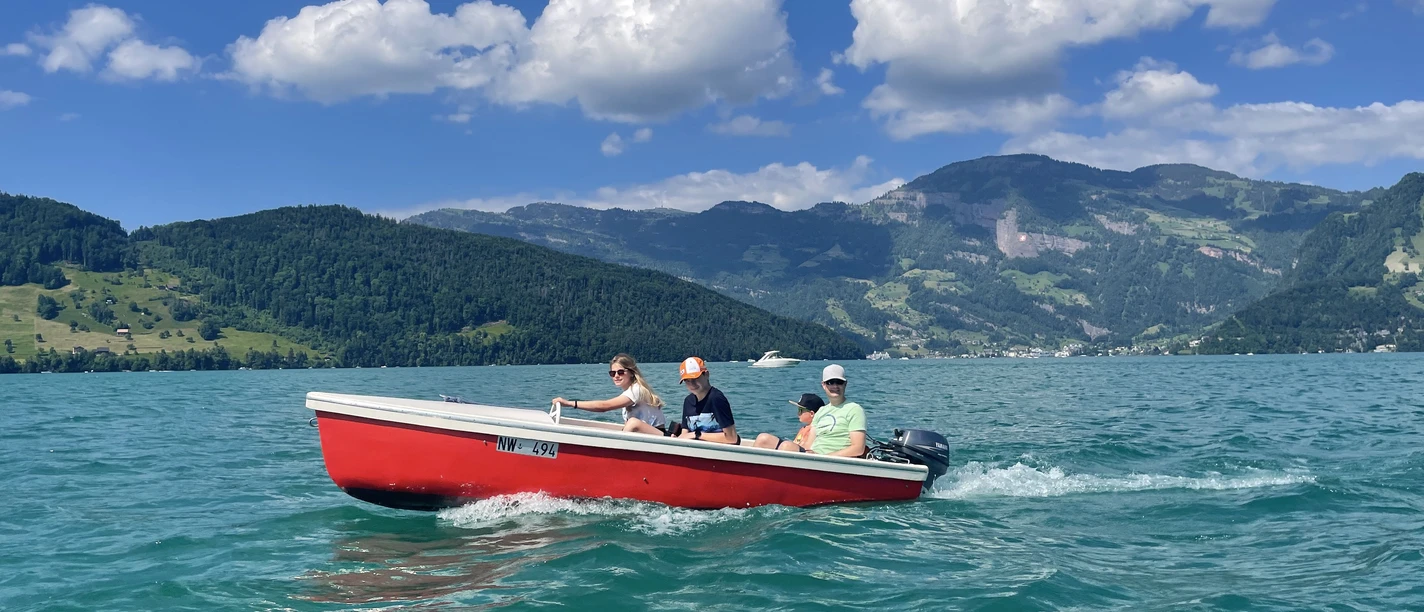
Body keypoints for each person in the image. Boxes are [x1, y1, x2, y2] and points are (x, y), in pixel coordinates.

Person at [552, 353, 666, 434]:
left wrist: (570, 403)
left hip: (658, 436)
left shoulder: (637, 390)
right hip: (645, 435)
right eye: (612, 373)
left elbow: (604, 407)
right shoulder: (628, 393)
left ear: (631, 373)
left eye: (620, 372)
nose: (616, 376)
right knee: (628, 424)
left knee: (632, 423)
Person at [776, 364, 865, 457]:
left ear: (845, 384)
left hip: (831, 461)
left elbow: (858, 448)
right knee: (764, 439)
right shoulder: (821, 411)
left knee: (786, 447)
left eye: (839, 382)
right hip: (814, 457)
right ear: (823, 385)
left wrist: (827, 457)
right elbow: (809, 445)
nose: (835, 386)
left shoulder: (854, 410)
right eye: (830, 382)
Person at [674, 356, 739, 444]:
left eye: (695, 378)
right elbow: (685, 434)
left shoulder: (716, 398)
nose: (692, 384)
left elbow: (732, 438)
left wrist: (697, 435)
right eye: (687, 380)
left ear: (706, 374)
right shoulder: (688, 402)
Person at [752, 393, 825, 449]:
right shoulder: (804, 428)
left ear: (812, 413)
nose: (798, 413)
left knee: (764, 438)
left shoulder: (814, 430)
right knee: (763, 438)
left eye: (801, 410)